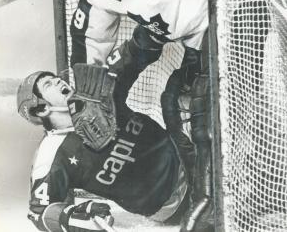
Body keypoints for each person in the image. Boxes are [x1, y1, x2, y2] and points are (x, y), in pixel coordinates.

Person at [70, 0, 270, 231]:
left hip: (227, 16)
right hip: (187, 32)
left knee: (206, 104)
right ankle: (200, 189)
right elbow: (87, 40)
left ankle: (217, 202)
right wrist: (85, 95)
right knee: (171, 101)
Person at [17, 61, 203, 232]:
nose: (58, 81)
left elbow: (130, 62)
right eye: (49, 84)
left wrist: (148, 37)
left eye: (57, 78)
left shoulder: (93, 95)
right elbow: (38, 212)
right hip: (176, 200)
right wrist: (73, 216)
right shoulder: (52, 153)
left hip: (185, 152)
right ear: (42, 109)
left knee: (183, 80)